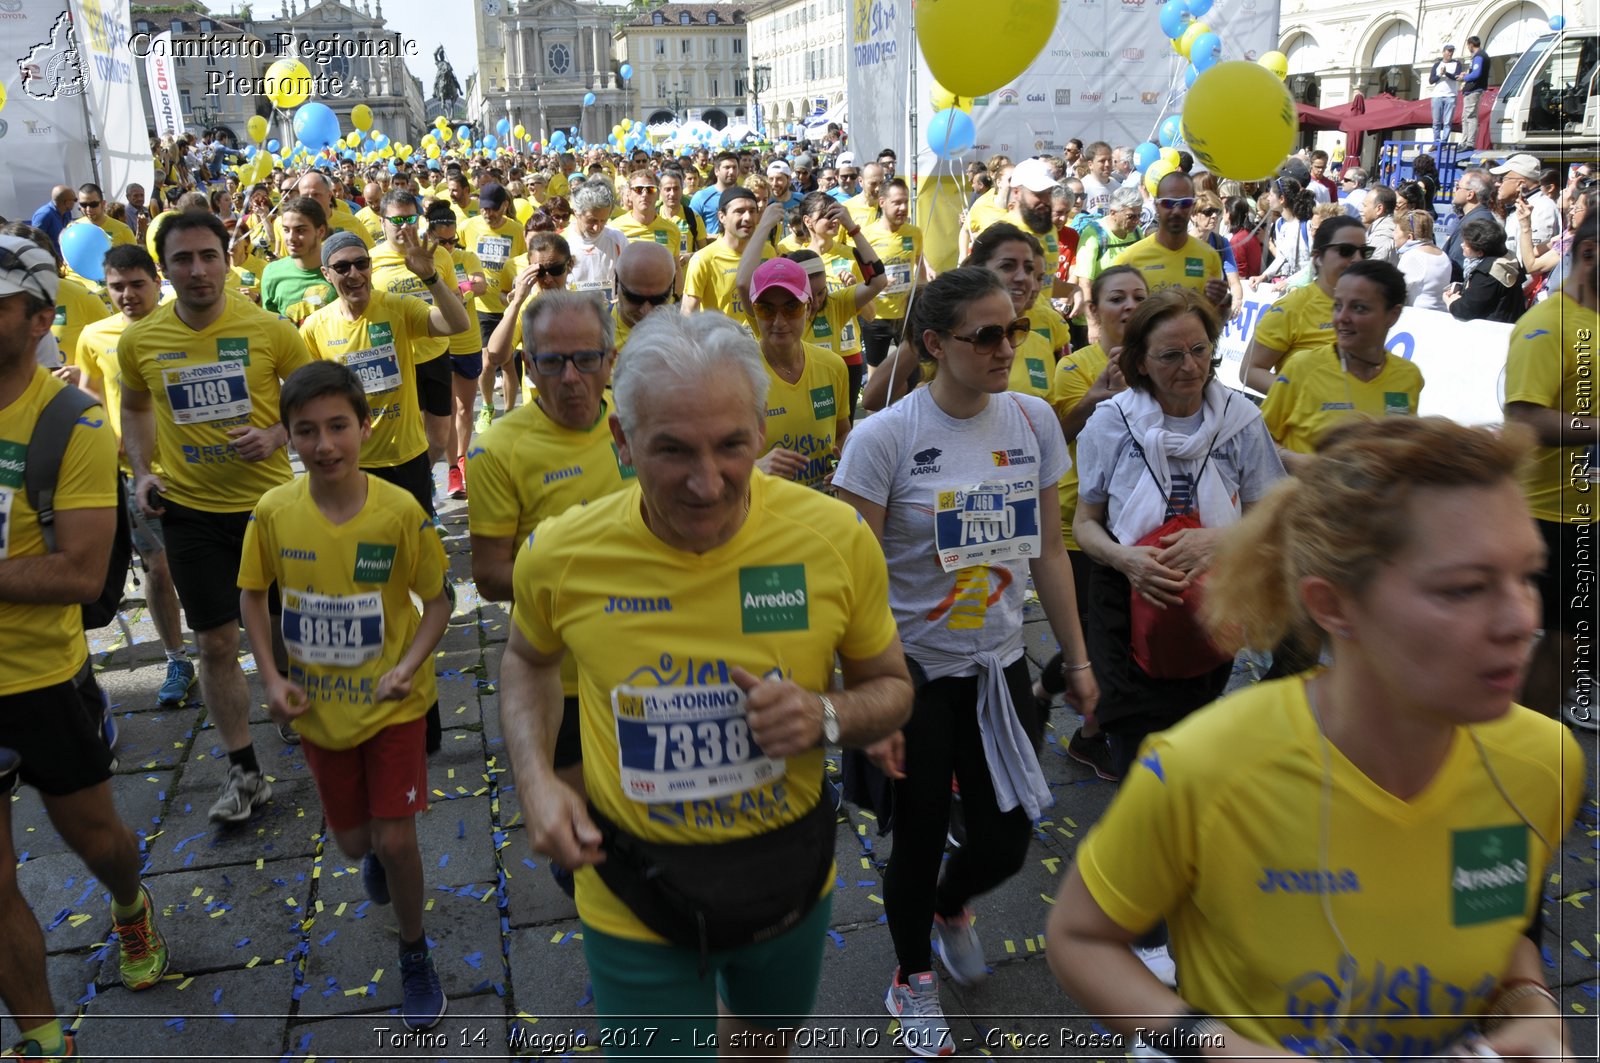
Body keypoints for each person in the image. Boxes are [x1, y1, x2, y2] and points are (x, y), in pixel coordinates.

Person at [1048, 414, 1582, 1062]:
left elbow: (1493, 916)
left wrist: (1532, 1007)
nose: (1520, 618)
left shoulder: (1541, 760)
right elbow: (1080, 937)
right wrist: (1211, 1045)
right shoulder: (1205, 766)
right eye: (1465, 587)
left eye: (1527, 575)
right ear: (1332, 604)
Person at [497, 309, 913, 1054]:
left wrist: (824, 715)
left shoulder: (835, 538)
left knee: (762, 1043)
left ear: (760, 427)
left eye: (731, 445)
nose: (706, 481)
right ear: (621, 440)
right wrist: (534, 777)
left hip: (788, 875)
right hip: (633, 890)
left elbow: (891, 688)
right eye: (671, 450)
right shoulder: (563, 553)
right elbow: (528, 660)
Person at [833, 267, 1096, 1053]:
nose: (1006, 346)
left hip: (998, 663)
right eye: (986, 334)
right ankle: (910, 978)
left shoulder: (1033, 420)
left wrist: (1076, 658)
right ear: (933, 344)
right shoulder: (885, 438)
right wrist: (863, 698)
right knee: (914, 834)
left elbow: (1050, 547)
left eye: (1014, 329)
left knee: (1007, 835)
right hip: (909, 671)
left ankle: (951, 906)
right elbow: (853, 578)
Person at [1071, 288, 1285, 985]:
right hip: (1121, 595)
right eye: (1169, 354)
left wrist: (1217, 541)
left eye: (1198, 349)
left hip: (1210, 601)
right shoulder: (1111, 422)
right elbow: (1084, 525)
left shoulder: (1242, 421)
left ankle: (1178, 881)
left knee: (1192, 744)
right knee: (1141, 758)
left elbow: (1269, 515)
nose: (1188, 365)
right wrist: (1129, 559)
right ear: (1139, 360)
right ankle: (1147, 923)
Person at [239, 361, 451, 1033]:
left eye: (337, 426)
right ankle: (378, 864)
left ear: (365, 426)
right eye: (306, 431)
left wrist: (408, 664)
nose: (324, 444)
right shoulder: (273, 512)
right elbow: (251, 593)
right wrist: (271, 677)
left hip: (394, 705)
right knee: (356, 845)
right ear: (289, 438)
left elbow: (439, 600)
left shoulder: (398, 511)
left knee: (396, 837)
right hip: (320, 713)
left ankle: (414, 949)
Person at [0, 235, 172, 1063]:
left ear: (37, 319)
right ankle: (41, 1037)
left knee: (99, 840)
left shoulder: (71, 422)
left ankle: (132, 904)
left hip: (40, 678)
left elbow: (78, 572)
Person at [119, 211, 314, 814]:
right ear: (165, 268)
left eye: (209, 255)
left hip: (269, 510)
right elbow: (136, 406)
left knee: (291, 631)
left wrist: (279, 435)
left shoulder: (270, 329)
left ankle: (293, 703)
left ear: (229, 260)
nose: (198, 270)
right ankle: (243, 770)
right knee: (216, 645)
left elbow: (316, 401)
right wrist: (143, 468)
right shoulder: (140, 340)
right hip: (190, 512)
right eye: (183, 259)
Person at [76, 244, 196, 710]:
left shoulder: (183, 324)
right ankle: (177, 657)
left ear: (157, 283)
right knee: (158, 568)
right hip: (137, 476)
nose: (127, 295)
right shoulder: (94, 335)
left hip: (199, 470)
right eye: (116, 287)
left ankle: (238, 635)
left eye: (137, 285)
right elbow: (88, 400)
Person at [1041, 265, 1148, 781]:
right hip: (1077, 524)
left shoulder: (1161, 362)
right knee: (1091, 640)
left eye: (1138, 298)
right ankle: (1086, 734)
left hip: (1136, 525)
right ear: (1094, 312)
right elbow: (1063, 432)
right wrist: (1098, 397)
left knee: (1111, 637)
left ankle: (1045, 696)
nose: (1128, 307)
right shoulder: (1076, 366)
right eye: (1117, 298)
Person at [1503, 213, 1598, 729]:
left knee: (1573, 641)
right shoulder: (1546, 325)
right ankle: (1514, 746)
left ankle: (1522, 742)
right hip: (1545, 513)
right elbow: (1525, 418)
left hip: (1587, 512)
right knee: (1558, 640)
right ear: (1588, 254)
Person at [1262, 260, 1424, 473]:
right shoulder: (1302, 367)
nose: (1342, 318)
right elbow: (1257, 440)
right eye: (1338, 305)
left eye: (1359, 308)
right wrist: (1297, 462)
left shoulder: (1408, 376)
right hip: (1307, 503)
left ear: (1392, 315)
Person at [369, 191, 459, 478]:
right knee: (412, 438)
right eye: (397, 220)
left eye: (410, 218)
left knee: (440, 439)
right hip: (396, 361)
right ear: (382, 223)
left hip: (435, 353)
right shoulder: (370, 260)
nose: (404, 226)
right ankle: (419, 492)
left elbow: (455, 299)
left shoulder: (438, 253)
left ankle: (425, 476)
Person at [742, 257, 852, 490]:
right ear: (754, 311)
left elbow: (842, 432)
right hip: (766, 511)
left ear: (809, 307)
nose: (779, 321)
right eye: (766, 309)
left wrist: (843, 464)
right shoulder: (737, 374)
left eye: (792, 307)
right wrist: (753, 469)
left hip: (822, 506)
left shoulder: (833, 366)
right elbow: (714, 457)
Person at [1241, 216, 1370, 395]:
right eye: (1346, 250)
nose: (1357, 259)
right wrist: (1310, 397)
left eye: (1365, 252)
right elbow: (1250, 371)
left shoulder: (1371, 308)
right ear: (1318, 258)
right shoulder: (1292, 307)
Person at [419, 202, 488, 502]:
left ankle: (462, 459)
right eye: (441, 242)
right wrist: (462, 288)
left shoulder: (467, 256)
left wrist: (455, 290)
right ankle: (451, 469)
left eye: (452, 241)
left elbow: (481, 286)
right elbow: (465, 288)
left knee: (464, 409)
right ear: (430, 235)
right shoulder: (421, 261)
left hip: (467, 340)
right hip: (435, 344)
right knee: (442, 412)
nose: (448, 246)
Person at [461, 182, 526, 437]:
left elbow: (521, 263)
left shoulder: (517, 231)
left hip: (508, 306)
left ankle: (510, 413)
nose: (487, 214)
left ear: (505, 206)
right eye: (483, 210)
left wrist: (512, 293)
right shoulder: (469, 226)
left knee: (509, 362)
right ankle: (488, 406)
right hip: (481, 306)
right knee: (487, 363)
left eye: (492, 209)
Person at [1116, 171, 1226, 308]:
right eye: (1168, 203)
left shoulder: (1209, 256)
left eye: (1184, 203)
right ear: (1156, 205)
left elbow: (1213, 319)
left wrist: (1219, 305)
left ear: (1192, 207)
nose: (1176, 211)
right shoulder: (1128, 259)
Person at [862, 178, 928, 376]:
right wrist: (875, 286)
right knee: (876, 374)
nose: (903, 208)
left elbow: (920, 266)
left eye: (906, 202)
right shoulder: (867, 235)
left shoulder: (914, 233)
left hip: (906, 316)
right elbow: (860, 276)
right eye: (897, 202)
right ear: (882, 202)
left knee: (912, 374)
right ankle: (877, 409)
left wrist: (921, 300)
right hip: (876, 317)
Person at [681, 187, 771, 331]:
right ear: (722, 216)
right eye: (739, 211)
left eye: (752, 211)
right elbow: (687, 314)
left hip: (760, 348)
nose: (747, 217)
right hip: (722, 348)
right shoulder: (704, 259)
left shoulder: (767, 251)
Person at [1074, 188, 1145, 323]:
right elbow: (1085, 282)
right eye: (1131, 216)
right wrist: (1093, 323)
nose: (1136, 221)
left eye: (1139, 215)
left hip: (1126, 313)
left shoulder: (1136, 232)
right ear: (1113, 213)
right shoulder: (1094, 234)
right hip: (1096, 316)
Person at [261, 197, 335, 320]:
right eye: (286, 230)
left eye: (300, 230)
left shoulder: (343, 268)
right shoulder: (272, 273)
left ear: (321, 231)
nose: (291, 237)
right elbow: (271, 327)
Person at [1445, 218, 1526, 324]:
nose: (1462, 245)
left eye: (1466, 243)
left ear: (1480, 252)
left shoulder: (1487, 272)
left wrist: (1450, 300)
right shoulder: (1508, 257)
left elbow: (1465, 310)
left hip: (1492, 330)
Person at [564, 181, 628, 300]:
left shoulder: (617, 239)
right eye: (591, 220)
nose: (597, 227)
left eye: (603, 221)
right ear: (576, 213)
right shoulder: (563, 241)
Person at [612, 240, 678, 351]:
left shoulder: (687, 341)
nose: (646, 311)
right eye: (635, 298)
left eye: (658, 299)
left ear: (673, 284)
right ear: (616, 281)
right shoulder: (592, 334)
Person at [1258, 177, 1318, 282]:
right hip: (1287, 286)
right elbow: (1281, 257)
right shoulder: (1279, 224)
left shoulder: (1307, 225)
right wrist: (1264, 276)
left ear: (1281, 199)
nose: (1268, 198)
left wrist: (1289, 282)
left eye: (1271, 195)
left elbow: (1313, 263)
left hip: (1305, 287)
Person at [1394, 209, 1453, 310]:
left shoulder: (1412, 256)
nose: (1393, 235)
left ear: (1409, 237)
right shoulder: (1443, 255)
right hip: (1441, 314)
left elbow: (1397, 292)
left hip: (1418, 317)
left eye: (1395, 231)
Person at [1441, 170, 1498, 270]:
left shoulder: (1475, 222)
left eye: (1458, 187)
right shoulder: (1477, 216)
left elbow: (1457, 260)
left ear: (1470, 195)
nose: (1454, 190)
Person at [688, 150, 740, 236]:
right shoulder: (701, 197)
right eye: (727, 167)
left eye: (734, 167)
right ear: (716, 171)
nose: (731, 171)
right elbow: (691, 228)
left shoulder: (743, 196)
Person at [1428, 44, 1462, 144]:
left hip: (1450, 95)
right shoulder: (1437, 65)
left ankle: (1444, 141)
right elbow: (1431, 80)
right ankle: (1436, 141)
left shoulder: (1457, 64)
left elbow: (1456, 77)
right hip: (1437, 96)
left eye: (1452, 51)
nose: (1450, 53)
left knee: (1447, 122)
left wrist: (1446, 73)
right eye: (1448, 51)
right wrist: (1440, 74)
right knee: (1436, 121)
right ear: (1443, 52)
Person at [1460, 36, 1490, 148]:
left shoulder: (1479, 56)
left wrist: (1465, 77)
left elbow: (1476, 74)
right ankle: (1464, 142)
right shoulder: (1481, 56)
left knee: (1470, 117)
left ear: (1471, 44)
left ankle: (1469, 143)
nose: (1468, 47)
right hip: (1472, 90)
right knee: (1465, 117)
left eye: (1468, 45)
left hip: (1474, 89)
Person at [28, 186, 76, 254]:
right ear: (66, 202)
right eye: (74, 200)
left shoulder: (67, 212)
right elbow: (36, 242)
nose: (75, 202)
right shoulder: (44, 215)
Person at [1226, 196, 1264, 279]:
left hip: (1246, 286)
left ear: (1229, 213)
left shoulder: (1237, 240)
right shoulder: (1248, 233)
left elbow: (1240, 274)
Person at [1362, 185, 1400, 264]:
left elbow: (1370, 271)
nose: (1361, 210)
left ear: (1379, 209)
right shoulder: (1393, 225)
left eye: (1365, 206)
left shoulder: (1380, 238)